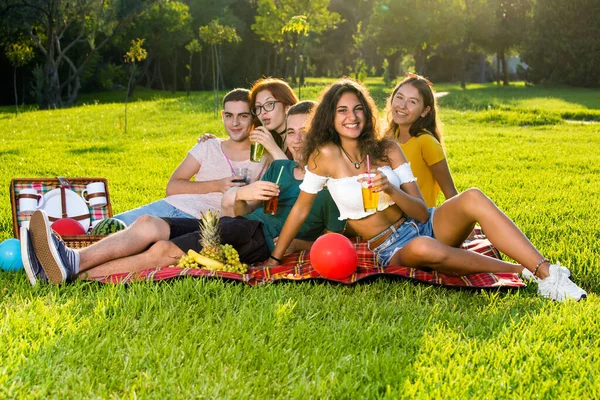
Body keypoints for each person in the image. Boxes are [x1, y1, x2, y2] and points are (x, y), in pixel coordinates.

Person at [268, 78, 587, 302]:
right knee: (423, 249)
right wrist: (274, 256)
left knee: (472, 196)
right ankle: (522, 271)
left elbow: (421, 211)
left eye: (358, 109)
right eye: (342, 110)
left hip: (426, 223)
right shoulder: (323, 156)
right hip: (392, 247)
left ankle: (548, 273)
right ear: (330, 117)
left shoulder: (388, 149)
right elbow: (300, 209)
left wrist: (391, 188)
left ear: (367, 112)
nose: (352, 117)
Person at [21, 101, 344, 285]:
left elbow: (327, 241)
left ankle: (71, 275)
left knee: (165, 250)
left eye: (306, 131)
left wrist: (282, 248)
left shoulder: (331, 187)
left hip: (260, 241)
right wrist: (246, 196)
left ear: (322, 132)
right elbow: (240, 214)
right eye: (290, 132)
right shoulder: (280, 169)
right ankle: (72, 259)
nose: (298, 139)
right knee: (148, 222)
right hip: (241, 225)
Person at [113, 89, 267, 226]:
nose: (234, 123)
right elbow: (172, 188)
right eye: (229, 115)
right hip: (168, 206)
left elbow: (250, 211)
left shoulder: (263, 158)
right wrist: (218, 185)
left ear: (254, 117)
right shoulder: (208, 146)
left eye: (243, 116)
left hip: (196, 223)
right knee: (103, 227)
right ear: (222, 116)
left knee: (124, 243)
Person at [384, 73, 457, 207]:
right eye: (399, 97)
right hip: (392, 222)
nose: (402, 105)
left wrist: (465, 227)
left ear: (425, 111)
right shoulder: (388, 138)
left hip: (421, 223)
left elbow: (451, 193)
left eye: (412, 101)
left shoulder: (426, 142)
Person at [248, 77, 299, 160]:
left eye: (270, 104)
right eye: (258, 107)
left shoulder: (300, 139)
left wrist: (273, 148)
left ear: (287, 108)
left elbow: (298, 172)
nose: (262, 112)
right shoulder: (274, 139)